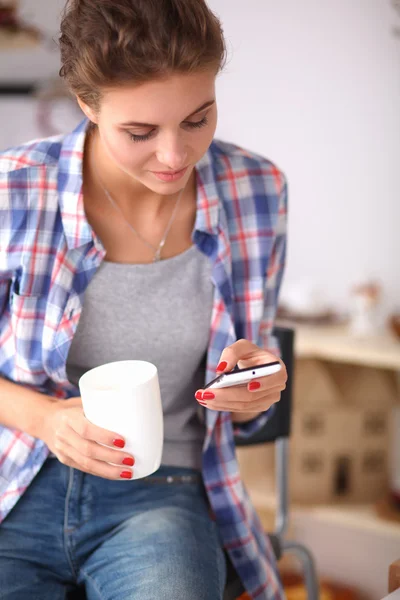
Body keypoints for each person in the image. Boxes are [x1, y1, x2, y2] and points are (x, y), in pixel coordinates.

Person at [0, 1, 288, 598]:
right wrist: (48, 419)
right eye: (140, 132)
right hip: (15, 481)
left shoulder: (257, 190)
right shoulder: (14, 187)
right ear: (87, 104)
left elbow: (244, 390)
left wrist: (253, 382)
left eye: (197, 119)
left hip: (163, 492)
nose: (176, 157)